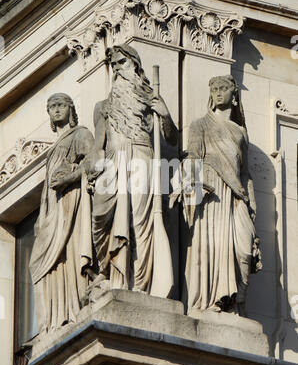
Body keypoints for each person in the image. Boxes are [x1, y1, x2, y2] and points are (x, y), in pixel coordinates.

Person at [86, 44, 177, 294]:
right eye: (113, 65)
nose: (116, 69)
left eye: (121, 63)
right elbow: (98, 144)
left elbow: (172, 139)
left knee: (141, 219)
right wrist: (93, 165)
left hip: (141, 155)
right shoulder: (102, 106)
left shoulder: (150, 97)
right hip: (114, 158)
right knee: (101, 213)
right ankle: (109, 268)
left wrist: (165, 115)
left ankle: (139, 283)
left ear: (134, 65)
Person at [183, 75, 262, 316]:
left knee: (244, 249)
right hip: (213, 191)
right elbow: (193, 158)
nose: (218, 93)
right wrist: (190, 187)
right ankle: (215, 300)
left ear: (234, 95)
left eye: (223, 89)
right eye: (214, 89)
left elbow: (246, 172)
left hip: (236, 194)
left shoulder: (240, 132)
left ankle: (237, 302)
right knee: (216, 245)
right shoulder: (200, 124)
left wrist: (251, 202)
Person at [29, 93, 95, 333]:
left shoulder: (81, 134)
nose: (55, 110)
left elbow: (94, 161)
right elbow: (47, 188)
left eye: (60, 106)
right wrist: (40, 216)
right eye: (51, 107)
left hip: (71, 200)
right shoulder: (53, 148)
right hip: (53, 208)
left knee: (68, 252)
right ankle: (57, 318)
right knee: (39, 262)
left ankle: (73, 306)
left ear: (70, 109)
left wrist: (70, 177)